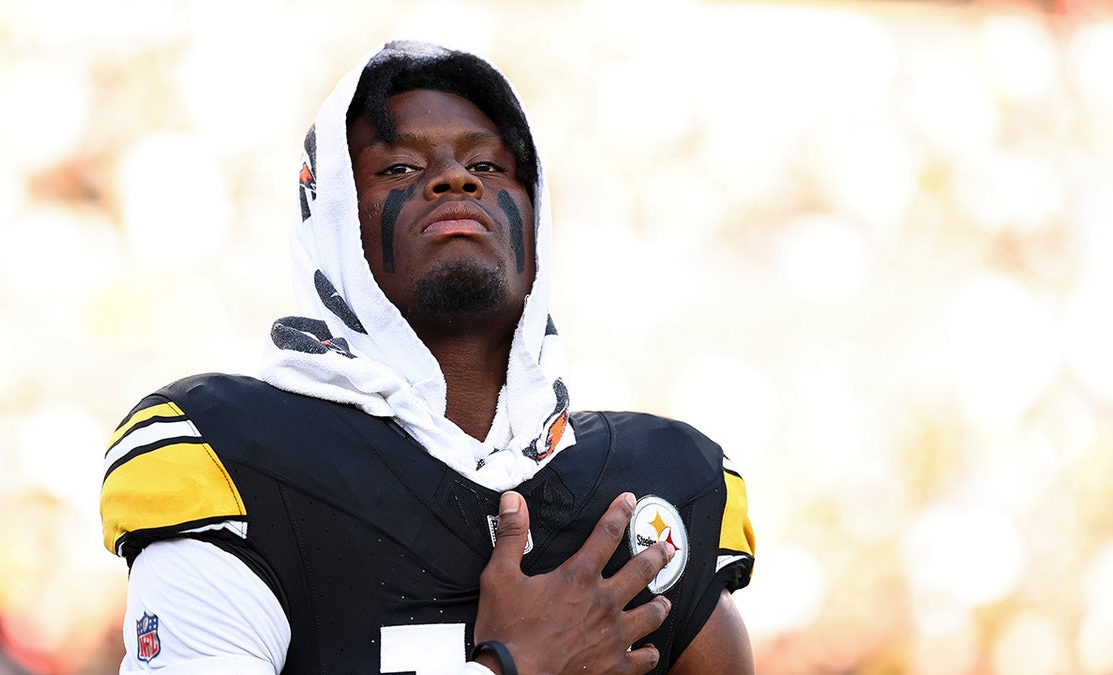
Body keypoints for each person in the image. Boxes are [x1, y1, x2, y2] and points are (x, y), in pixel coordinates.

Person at [100, 40, 755, 674]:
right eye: (399, 168)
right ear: (330, 223)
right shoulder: (236, 458)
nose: (454, 177)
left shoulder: (657, 483)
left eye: (490, 165)